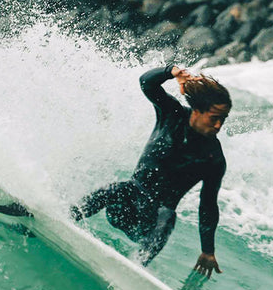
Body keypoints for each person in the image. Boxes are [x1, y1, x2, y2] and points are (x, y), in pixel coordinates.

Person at [71, 64, 231, 277]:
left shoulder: (213, 158)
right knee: (122, 188)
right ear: (198, 110)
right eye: (214, 118)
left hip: (150, 224)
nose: (219, 125)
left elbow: (208, 205)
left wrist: (208, 251)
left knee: (167, 214)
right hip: (123, 209)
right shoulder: (172, 114)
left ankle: (136, 269)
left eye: (223, 119)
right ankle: (66, 217)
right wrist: (170, 72)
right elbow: (146, 83)